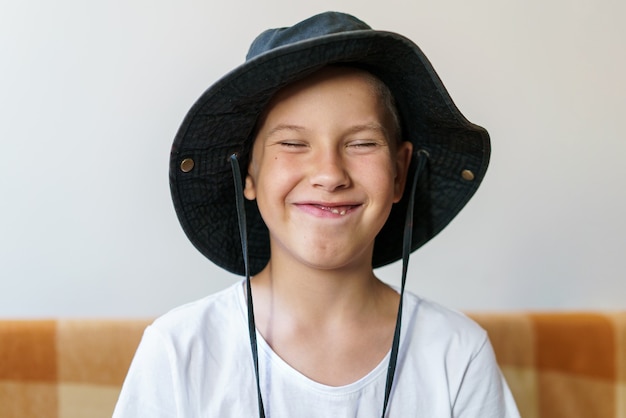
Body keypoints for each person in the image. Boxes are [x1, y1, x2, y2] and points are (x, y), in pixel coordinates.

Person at [113, 11, 520, 417]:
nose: (329, 174)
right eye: (292, 143)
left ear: (401, 173)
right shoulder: (178, 352)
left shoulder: (456, 355)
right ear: (247, 173)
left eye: (361, 144)